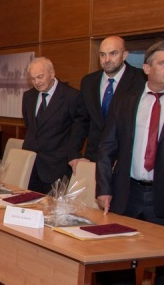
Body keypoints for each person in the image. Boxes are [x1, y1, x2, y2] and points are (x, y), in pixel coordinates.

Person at [97, 40, 164, 285]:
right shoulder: (126, 101)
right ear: (147, 68)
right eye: (162, 63)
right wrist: (104, 188)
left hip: (160, 195)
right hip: (128, 191)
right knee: (119, 255)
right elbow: (107, 147)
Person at [70, 36, 147, 169]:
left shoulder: (141, 80)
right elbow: (82, 120)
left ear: (124, 55)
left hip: (126, 161)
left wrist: (124, 158)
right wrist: (73, 153)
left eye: (113, 54)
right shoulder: (89, 82)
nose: (107, 59)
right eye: (102, 55)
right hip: (94, 158)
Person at [20, 57, 80, 194]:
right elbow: (30, 126)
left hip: (56, 167)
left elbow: (77, 131)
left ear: (52, 73)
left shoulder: (71, 96)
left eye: (40, 77)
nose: (37, 82)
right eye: (33, 79)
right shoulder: (28, 96)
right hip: (30, 167)